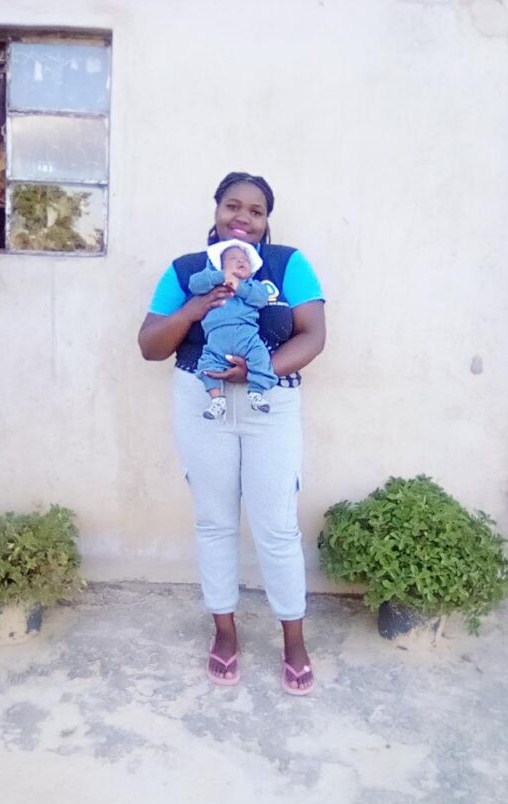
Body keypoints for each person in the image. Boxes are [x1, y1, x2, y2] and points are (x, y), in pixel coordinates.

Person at [138, 171, 326, 695]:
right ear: (217, 209)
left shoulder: (287, 265)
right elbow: (150, 345)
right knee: (214, 522)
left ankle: (294, 641)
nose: (242, 218)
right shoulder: (187, 270)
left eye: (256, 211)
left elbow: (314, 335)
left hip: (270, 401)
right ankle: (224, 633)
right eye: (232, 206)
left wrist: (257, 372)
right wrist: (194, 308)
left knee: (277, 527)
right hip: (203, 401)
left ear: (267, 220)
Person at [189, 239, 278, 419]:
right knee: (206, 366)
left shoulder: (253, 286)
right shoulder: (211, 283)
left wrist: (239, 286)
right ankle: (217, 400)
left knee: (261, 357)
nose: (240, 261)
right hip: (217, 338)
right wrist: (221, 276)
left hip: (246, 337)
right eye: (233, 258)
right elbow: (194, 284)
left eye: (245, 259)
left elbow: (261, 299)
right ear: (219, 264)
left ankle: (257, 391)